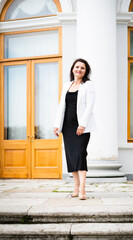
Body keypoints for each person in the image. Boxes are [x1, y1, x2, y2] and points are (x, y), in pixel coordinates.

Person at [53, 58, 96, 200]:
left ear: (85, 71)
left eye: (82, 68)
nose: (79, 69)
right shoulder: (66, 85)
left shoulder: (88, 85)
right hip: (67, 126)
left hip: (81, 127)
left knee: (80, 155)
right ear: (72, 69)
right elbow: (61, 106)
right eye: (77, 67)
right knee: (71, 157)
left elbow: (90, 106)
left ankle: (83, 189)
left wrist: (82, 124)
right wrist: (57, 125)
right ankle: (76, 187)